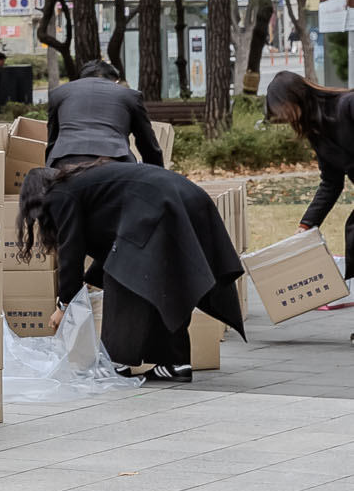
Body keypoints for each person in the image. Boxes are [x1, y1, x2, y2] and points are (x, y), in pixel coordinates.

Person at [18, 155, 243, 384]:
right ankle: (175, 363)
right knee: (165, 278)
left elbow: (71, 250)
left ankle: (115, 363)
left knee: (124, 274)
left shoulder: (59, 194)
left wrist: (64, 305)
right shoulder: (84, 181)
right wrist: (87, 281)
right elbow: (109, 236)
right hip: (187, 195)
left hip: (161, 202)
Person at [264, 74, 354, 282]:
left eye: (281, 107)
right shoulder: (318, 133)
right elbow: (331, 183)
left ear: (296, 97)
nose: (281, 116)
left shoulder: (348, 105)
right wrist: (306, 225)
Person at [47, 60, 161, 167]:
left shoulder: (58, 93)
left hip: (64, 160)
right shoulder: (129, 95)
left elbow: (52, 140)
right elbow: (148, 145)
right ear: (115, 80)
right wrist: (158, 176)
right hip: (115, 160)